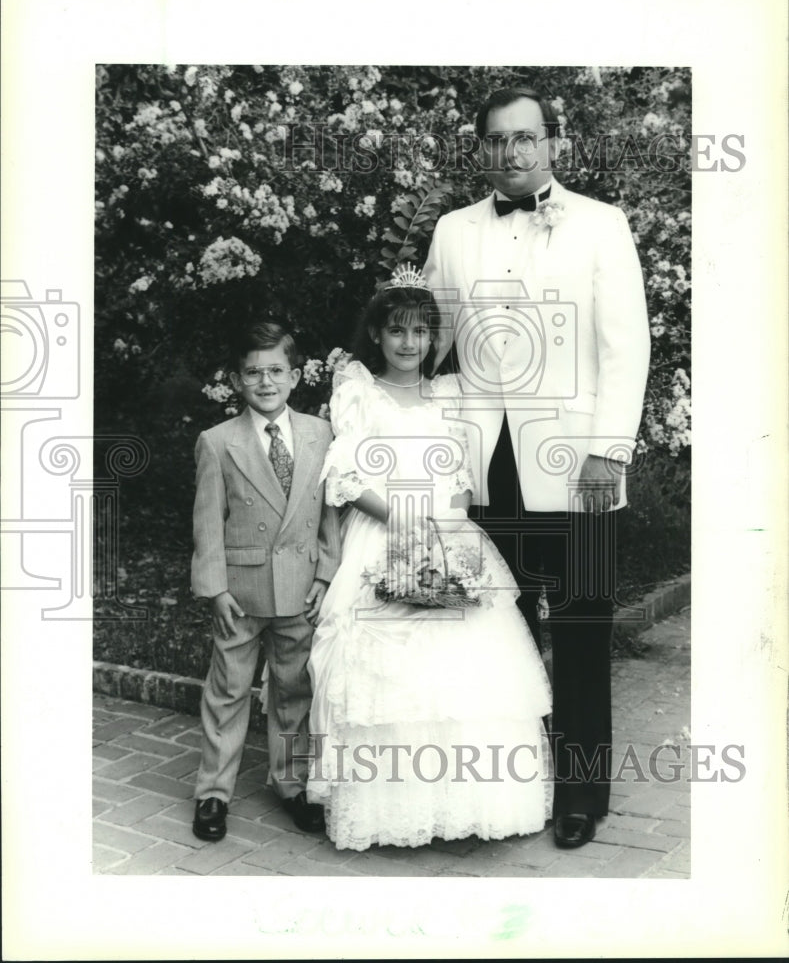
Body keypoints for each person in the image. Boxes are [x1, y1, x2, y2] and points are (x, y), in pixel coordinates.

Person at [423, 86, 650, 849]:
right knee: (499, 631)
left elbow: (626, 349)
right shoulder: (453, 232)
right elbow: (426, 339)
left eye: (526, 138)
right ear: (479, 150)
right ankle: (511, 789)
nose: (511, 153)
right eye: (496, 140)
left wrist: (605, 452)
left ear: (552, 143)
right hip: (486, 464)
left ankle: (581, 794)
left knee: (582, 631)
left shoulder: (600, 225)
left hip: (576, 466)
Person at [305, 269, 552, 852]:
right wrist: (401, 521)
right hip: (384, 525)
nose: (409, 343)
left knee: (464, 667)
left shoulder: (449, 392)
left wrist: (449, 532)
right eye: (396, 331)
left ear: (433, 338)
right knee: (385, 669)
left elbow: (461, 474)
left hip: (446, 529)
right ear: (376, 334)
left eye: (420, 332)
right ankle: (391, 806)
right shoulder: (358, 388)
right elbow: (343, 474)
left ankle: (462, 801)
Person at [190, 321, 341, 841]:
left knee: (294, 691)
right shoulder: (217, 442)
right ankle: (213, 793)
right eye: (253, 372)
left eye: (276, 370)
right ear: (237, 380)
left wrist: (326, 571)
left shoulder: (321, 434)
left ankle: (293, 784)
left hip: (300, 588)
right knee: (227, 691)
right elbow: (207, 520)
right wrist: (215, 588)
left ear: (296, 376)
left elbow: (329, 512)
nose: (265, 381)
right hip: (242, 591)